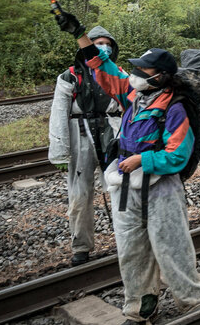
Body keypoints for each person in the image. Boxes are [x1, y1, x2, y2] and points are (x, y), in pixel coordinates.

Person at [54, 11, 200, 323]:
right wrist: (79, 33)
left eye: (140, 69)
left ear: (159, 76)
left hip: (160, 189)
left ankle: (193, 305)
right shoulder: (134, 94)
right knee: (131, 251)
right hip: (126, 189)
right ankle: (140, 307)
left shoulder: (175, 107)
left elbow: (178, 155)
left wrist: (143, 160)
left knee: (172, 249)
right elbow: (101, 66)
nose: (133, 72)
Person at [48, 26, 123, 266]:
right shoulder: (69, 76)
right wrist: (59, 151)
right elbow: (59, 113)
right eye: (98, 43)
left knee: (121, 187)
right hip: (80, 134)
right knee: (79, 193)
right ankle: (81, 246)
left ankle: (126, 238)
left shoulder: (118, 73)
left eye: (107, 43)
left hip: (112, 131)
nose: (104, 47)